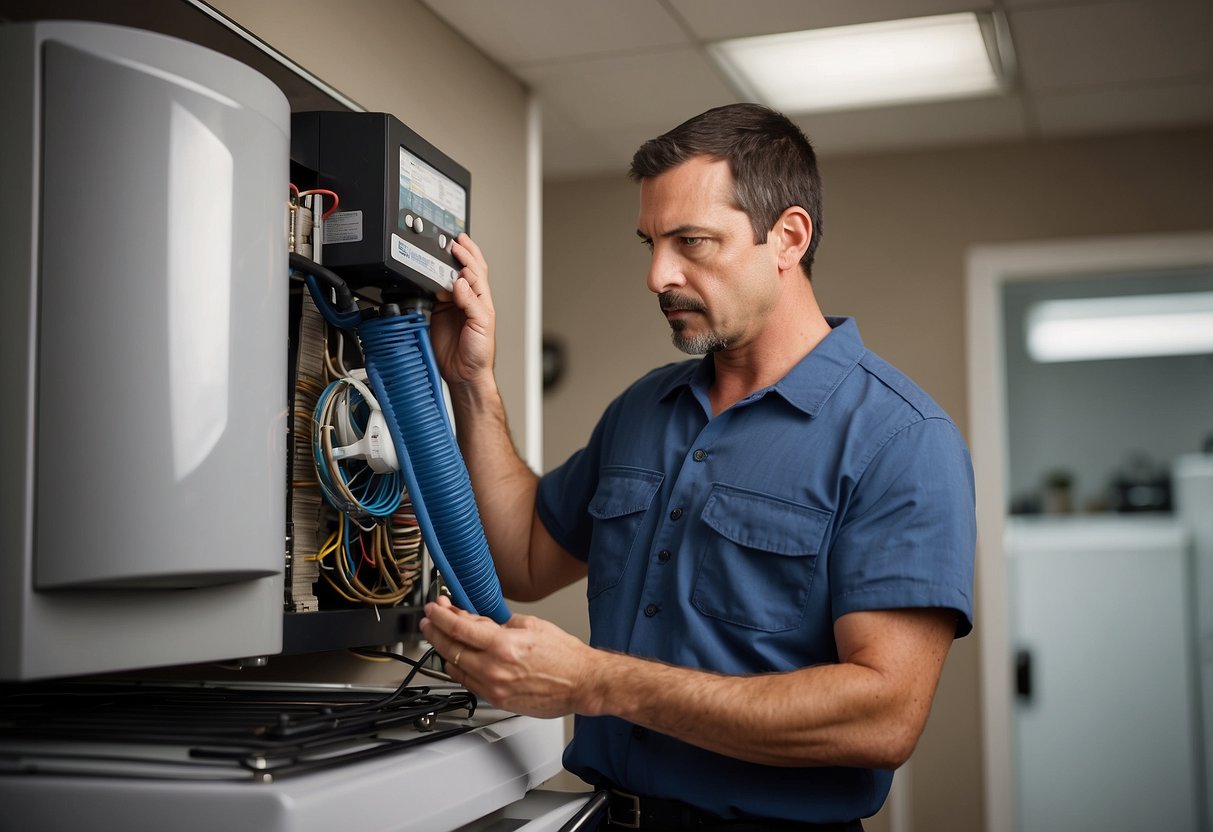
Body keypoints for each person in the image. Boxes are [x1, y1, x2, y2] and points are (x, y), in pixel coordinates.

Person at [420, 103, 975, 831]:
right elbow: (522, 557)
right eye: (650, 242)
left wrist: (598, 683)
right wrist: (472, 381)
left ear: (787, 236)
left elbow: (881, 717)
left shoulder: (900, 438)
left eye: (691, 241)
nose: (657, 274)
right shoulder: (644, 409)